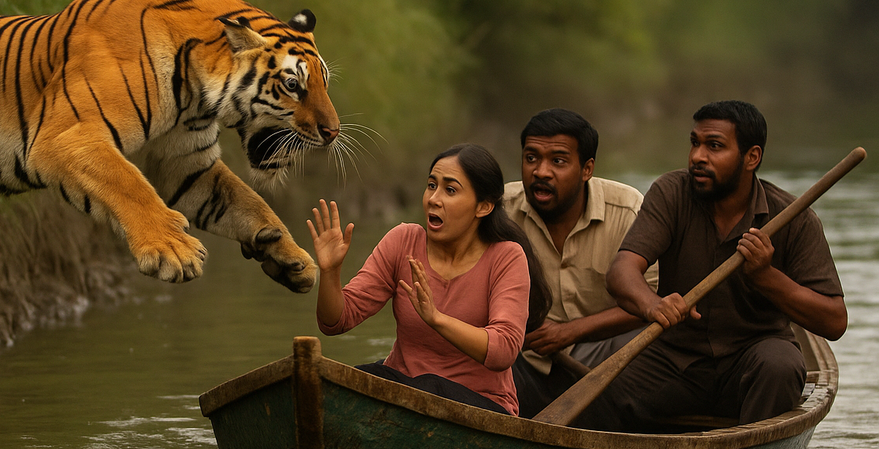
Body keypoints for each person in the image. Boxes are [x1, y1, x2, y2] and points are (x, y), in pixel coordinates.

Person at [582, 100, 848, 432]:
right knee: (601, 387)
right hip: (674, 361)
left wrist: (766, 277)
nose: (697, 157)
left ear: (751, 158)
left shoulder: (794, 219)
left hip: (751, 364)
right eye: (695, 143)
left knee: (780, 365)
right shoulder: (671, 193)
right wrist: (653, 305)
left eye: (715, 146)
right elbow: (621, 271)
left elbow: (835, 322)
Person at [308, 143, 551, 416]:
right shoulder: (403, 242)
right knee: (338, 381)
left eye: (450, 190)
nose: (434, 199)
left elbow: (504, 350)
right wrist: (329, 272)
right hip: (402, 392)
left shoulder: (506, 257)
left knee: (427, 386)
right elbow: (336, 322)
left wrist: (437, 318)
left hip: (482, 406)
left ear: (483, 207)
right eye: (431, 185)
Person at [503, 108, 657, 418]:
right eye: (531, 158)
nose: (541, 172)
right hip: (522, 355)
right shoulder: (501, 209)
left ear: (587, 169)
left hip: (601, 351)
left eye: (558, 161)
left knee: (656, 344)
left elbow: (650, 301)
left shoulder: (627, 210)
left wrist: (570, 332)